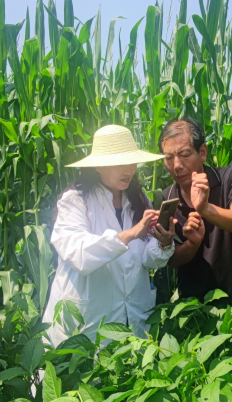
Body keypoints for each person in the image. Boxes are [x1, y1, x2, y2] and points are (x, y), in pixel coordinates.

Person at [43, 124, 184, 348]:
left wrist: (163, 242)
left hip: (133, 316)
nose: (129, 169)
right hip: (88, 320)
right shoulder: (75, 201)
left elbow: (146, 260)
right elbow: (79, 255)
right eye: (120, 163)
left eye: (132, 162)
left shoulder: (139, 200)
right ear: (98, 166)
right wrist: (128, 235)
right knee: (84, 365)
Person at [158, 118, 232, 301]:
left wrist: (205, 209)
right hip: (194, 308)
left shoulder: (230, 179)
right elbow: (172, 260)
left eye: (184, 154)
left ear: (203, 152)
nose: (176, 165)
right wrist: (192, 244)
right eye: (168, 158)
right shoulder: (167, 199)